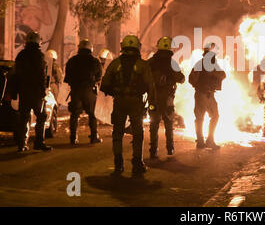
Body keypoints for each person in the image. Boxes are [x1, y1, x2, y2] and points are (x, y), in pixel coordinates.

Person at [100, 35, 156, 176]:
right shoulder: (143, 65)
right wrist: (152, 104)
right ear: (137, 47)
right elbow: (150, 86)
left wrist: (115, 91)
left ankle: (118, 164)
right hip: (136, 103)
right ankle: (137, 163)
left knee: (117, 133)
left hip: (119, 102)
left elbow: (105, 84)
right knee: (138, 133)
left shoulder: (115, 64)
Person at [14, 31, 52, 152]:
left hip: (23, 91)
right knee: (41, 116)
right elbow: (41, 75)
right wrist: (43, 90)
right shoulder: (39, 55)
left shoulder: (21, 55)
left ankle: (22, 144)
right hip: (36, 92)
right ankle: (39, 142)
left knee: (24, 117)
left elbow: (16, 74)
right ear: (38, 41)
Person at [148, 36, 185, 158]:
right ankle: (170, 148)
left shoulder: (151, 61)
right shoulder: (172, 63)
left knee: (154, 124)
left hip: (153, 98)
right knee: (169, 124)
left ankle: (153, 150)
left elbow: (144, 77)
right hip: (168, 99)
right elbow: (181, 78)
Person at [64, 39, 103, 145]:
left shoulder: (72, 61)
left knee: (74, 115)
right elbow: (99, 77)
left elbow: (67, 78)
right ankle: (94, 137)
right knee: (92, 115)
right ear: (91, 48)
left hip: (76, 91)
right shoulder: (95, 61)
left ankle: (73, 138)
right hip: (89, 91)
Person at [188, 43, 226, 150]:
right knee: (200, 118)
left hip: (210, 95)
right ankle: (201, 141)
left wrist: (214, 74)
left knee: (214, 116)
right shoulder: (201, 64)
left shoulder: (212, 64)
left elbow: (223, 75)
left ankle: (209, 140)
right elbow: (191, 79)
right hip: (202, 94)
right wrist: (200, 87)